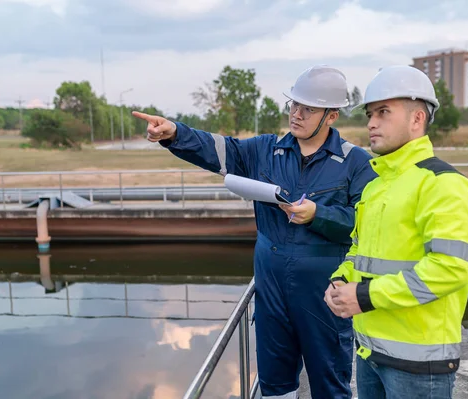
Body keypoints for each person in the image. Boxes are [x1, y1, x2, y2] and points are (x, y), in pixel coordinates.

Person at [132, 65, 377, 398]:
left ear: (331, 116)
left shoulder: (356, 163)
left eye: (308, 108)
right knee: (274, 382)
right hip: (272, 290)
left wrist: (318, 215)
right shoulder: (265, 150)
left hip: (322, 295)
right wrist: (174, 132)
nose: (296, 113)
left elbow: (366, 226)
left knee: (329, 384)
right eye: (293, 105)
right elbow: (218, 149)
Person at [324, 65, 468, 399]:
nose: (371, 123)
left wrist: (364, 297)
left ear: (417, 120)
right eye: (370, 114)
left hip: (418, 365)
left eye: (383, 112)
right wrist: (339, 280)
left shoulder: (445, 185)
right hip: (369, 353)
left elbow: (448, 270)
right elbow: (359, 251)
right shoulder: (376, 187)